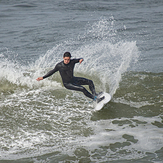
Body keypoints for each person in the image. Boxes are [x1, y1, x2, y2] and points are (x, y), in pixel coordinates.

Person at [36, 52, 104, 103]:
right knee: (82, 88)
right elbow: (52, 71)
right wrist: (43, 77)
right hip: (67, 84)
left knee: (90, 82)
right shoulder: (59, 65)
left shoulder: (72, 62)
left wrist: (81, 60)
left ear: (70, 58)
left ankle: (95, 94)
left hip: (73, 79)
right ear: (63, 58)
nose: (67, 61)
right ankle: (95, 99)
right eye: (65, 59)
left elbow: (79, 59)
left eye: (68, 59)